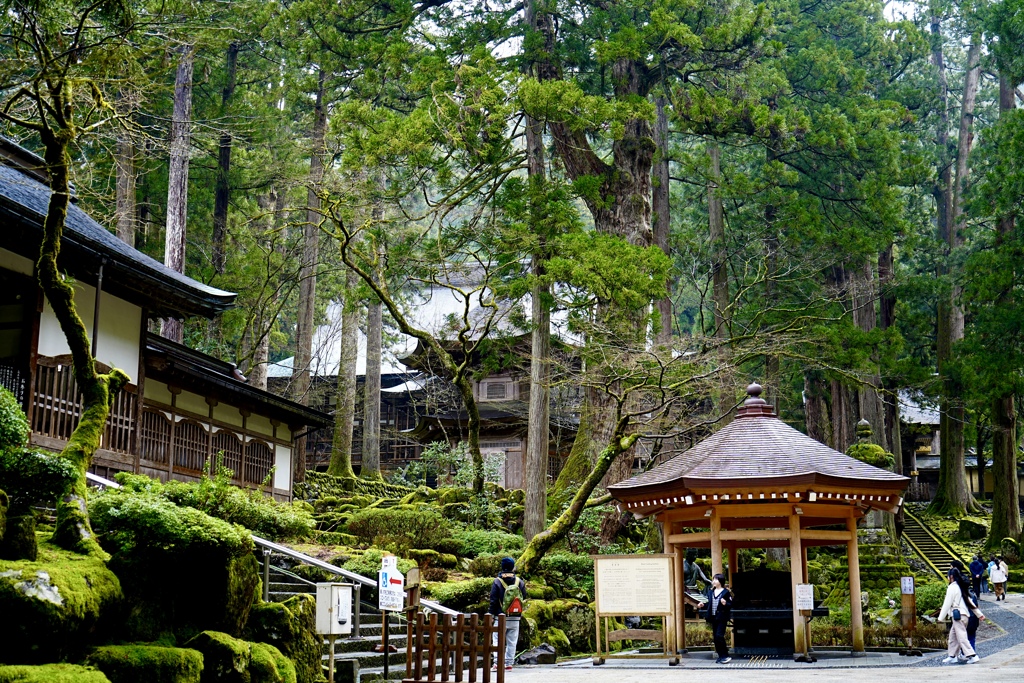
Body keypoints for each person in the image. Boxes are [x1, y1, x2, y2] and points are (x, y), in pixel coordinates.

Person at [489, 557, 525, 671]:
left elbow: (493, 601)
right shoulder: (519, 582)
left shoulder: (497, 582)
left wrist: (490, 615)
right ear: (512, 567)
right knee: (512, 641)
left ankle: (497, 663)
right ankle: (509, 663)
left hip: (501, 617)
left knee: (497, 640)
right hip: (515, 617)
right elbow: (523, 596)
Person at [938, 568, 980, 664]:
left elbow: (947, 603)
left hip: (958, 616)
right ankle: (952, 656)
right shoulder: (961, 587)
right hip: (964, 615)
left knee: (961, 636)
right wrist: (979, 614)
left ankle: (972, 655)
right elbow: (969, 602)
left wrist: (940, 618)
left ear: (951, 577)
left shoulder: (952, 587)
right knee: (953, 636)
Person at [697, 573, 732, 664]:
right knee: (716, 638)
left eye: (715, 580)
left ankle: (725, 655)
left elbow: (730, 604)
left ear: (720, 581)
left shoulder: (726, 592)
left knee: (719, 636)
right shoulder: (710, 592)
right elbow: (709, 604)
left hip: (722, 617)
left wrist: (725, 604)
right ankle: (721, 656)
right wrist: (703, 605)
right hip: (713, 617)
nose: (713, 581)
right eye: (713, 580)